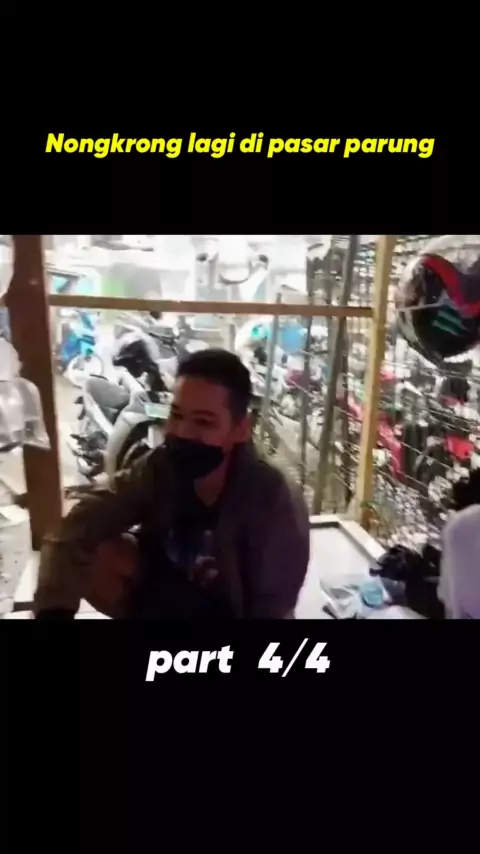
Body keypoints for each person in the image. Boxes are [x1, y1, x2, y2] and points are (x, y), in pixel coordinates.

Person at [34, 349, 310, 620]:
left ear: (240, 429)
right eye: (177, 415)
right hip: (167, 595)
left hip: (230, 613)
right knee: (94, 550)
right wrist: (53, 611)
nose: (182, 432)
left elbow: (273, 605)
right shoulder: (162, 465)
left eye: (203, 421)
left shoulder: (273, 497)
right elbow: (85, 519)